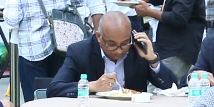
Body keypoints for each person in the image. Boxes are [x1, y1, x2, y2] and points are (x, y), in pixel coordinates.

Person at [2, 0, 84, 103]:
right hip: (63, 43)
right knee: (62, 98)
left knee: (36, 101)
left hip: (32, 48)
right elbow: (80, 0)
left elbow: (12, 19)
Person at [47, 12, 175, 97]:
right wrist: (91, 86)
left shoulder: (138, 49)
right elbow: (54, 89)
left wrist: (153, 61)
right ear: (99, 37)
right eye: (112, 45)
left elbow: (172, 87)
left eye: (124, 43)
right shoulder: (80, 51)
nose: (119, 50)